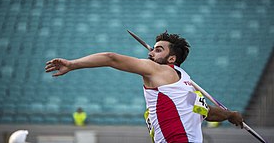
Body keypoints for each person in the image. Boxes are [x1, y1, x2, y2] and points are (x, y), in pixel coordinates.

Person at [45, 31, 243, 143]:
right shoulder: (170, 77)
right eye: (153, 49)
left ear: (172, 58)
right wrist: (230, 115)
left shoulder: (172, 77)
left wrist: (229, 115)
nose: (151, 54)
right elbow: (110, 58)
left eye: (158, 50)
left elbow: (205, 112)